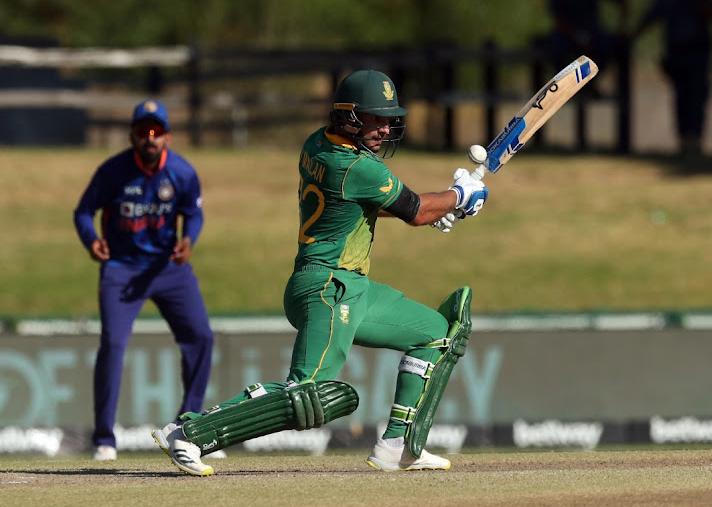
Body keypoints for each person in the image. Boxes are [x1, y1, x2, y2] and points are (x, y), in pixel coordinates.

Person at [150, 69, 489, 476]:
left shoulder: (317, 144)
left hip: (351, 287)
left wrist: (438, 207)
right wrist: (459, 196)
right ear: (348, 117)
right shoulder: (360, 168)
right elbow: (413, 210)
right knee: (306, 393)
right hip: (328, 288)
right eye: (375, 118)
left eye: (387, 119)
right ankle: (190, 432)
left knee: (436, 332)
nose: (385, 128)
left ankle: (398, 445)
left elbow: (371, 204)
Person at [74, 100, 215, 461]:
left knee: (200, 337)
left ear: (167, 136)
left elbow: (193, 215)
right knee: (112, 344)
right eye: (143, 132)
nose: (150, 139)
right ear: (132, 136)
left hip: (168, 268)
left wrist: (189, 241)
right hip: (121, 268)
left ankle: (189, 427)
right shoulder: (113, 171)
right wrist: (92, 241)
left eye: (156, 132)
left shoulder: (181, 172)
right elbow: (84, 211)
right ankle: (104, 439)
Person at [632, 0, 712, 155]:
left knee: (697, 96)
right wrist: (631, 36)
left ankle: (695, 140)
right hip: (676, 51)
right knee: (681, 97)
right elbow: (650, 17)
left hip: (698, 51)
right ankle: (685, 141)